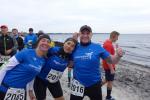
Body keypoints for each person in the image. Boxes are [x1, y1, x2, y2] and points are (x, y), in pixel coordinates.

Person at [70, 25, 124, 100]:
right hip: (77, 84)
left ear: (91, 34)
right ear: (79, 34)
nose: (85, 35)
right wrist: (73, 40)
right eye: (83, 33)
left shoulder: (97, 47)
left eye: (88, 33)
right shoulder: (74, 47)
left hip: (94, 84)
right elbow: (67, 61)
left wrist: (118, 55)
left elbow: (112, 60)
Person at [0, 34, 51, 100]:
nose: (46, 43)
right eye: (43, 40)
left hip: (21, 92)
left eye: (48, 42)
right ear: (38, 42)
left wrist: (30, 91)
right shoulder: (25, 52)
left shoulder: (43, 61)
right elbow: (4, 67)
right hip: (6, 88)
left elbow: (32, 75)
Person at [102, 31, 120, 100]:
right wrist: (112, 69)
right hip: (109, 67)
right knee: (110, 82)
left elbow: (110, 55)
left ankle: (95, 88)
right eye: (117, 37)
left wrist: (116, 49)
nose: (117, 39)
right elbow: (108, 58)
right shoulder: (108, 45)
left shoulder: (107, 43)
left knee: (107, 79)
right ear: (114, 36)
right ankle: (108, 97)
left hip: (108, 66)